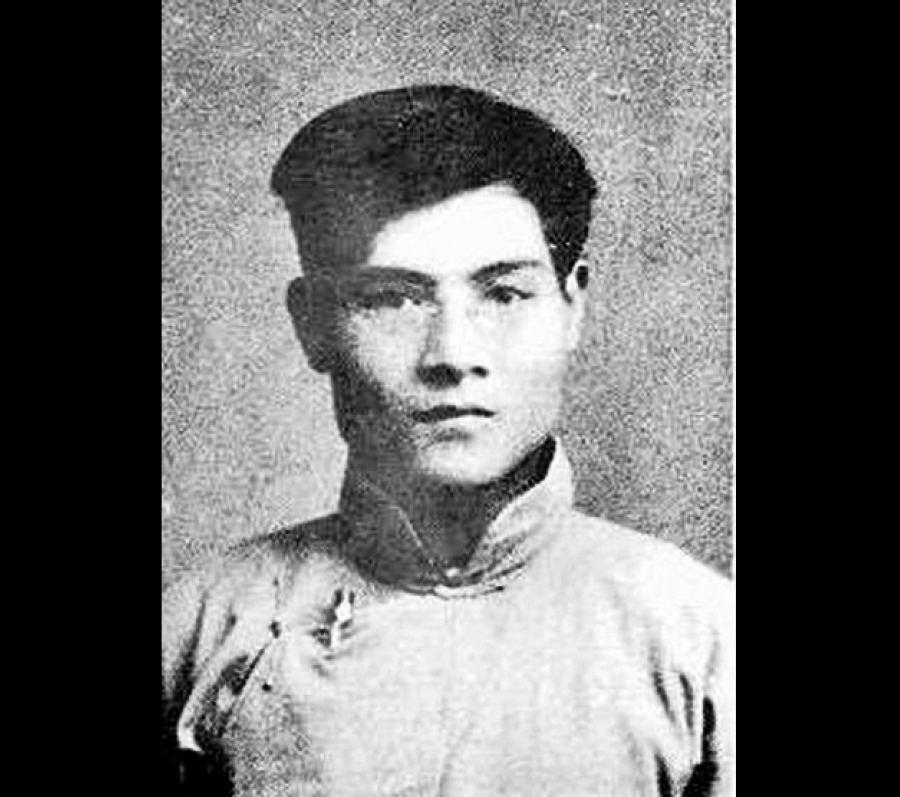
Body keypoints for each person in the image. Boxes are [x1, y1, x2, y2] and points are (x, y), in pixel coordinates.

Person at [162, 84, 734, 797]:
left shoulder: (702, 643)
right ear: (313, 324)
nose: (453, 354)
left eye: (504, 294)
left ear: (571, 305)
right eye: (393, 298)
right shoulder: (201, 630)